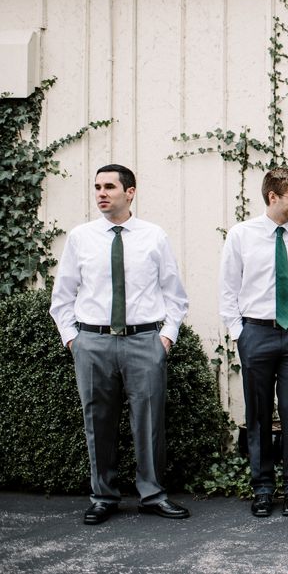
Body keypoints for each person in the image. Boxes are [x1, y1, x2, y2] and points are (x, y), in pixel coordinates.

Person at [49, 164, 191, 524]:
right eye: (97, 186)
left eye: (109, 187)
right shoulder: (81, 237)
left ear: (130, 192)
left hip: (144, 341)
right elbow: (62, 296)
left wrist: (165, 338)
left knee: (149, 421)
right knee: (97, 420)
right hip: (92, 342)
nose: (101, 193)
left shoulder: (153, 236)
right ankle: (103, 496)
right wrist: (73, 340)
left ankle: (153, 495)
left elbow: (175, 295)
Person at [219, 166, 288, 517]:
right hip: (257, 333)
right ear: (273, 197)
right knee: (259, 414)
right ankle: (263, 488)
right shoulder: (241, 235)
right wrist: (240, 333)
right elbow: (228, 289)